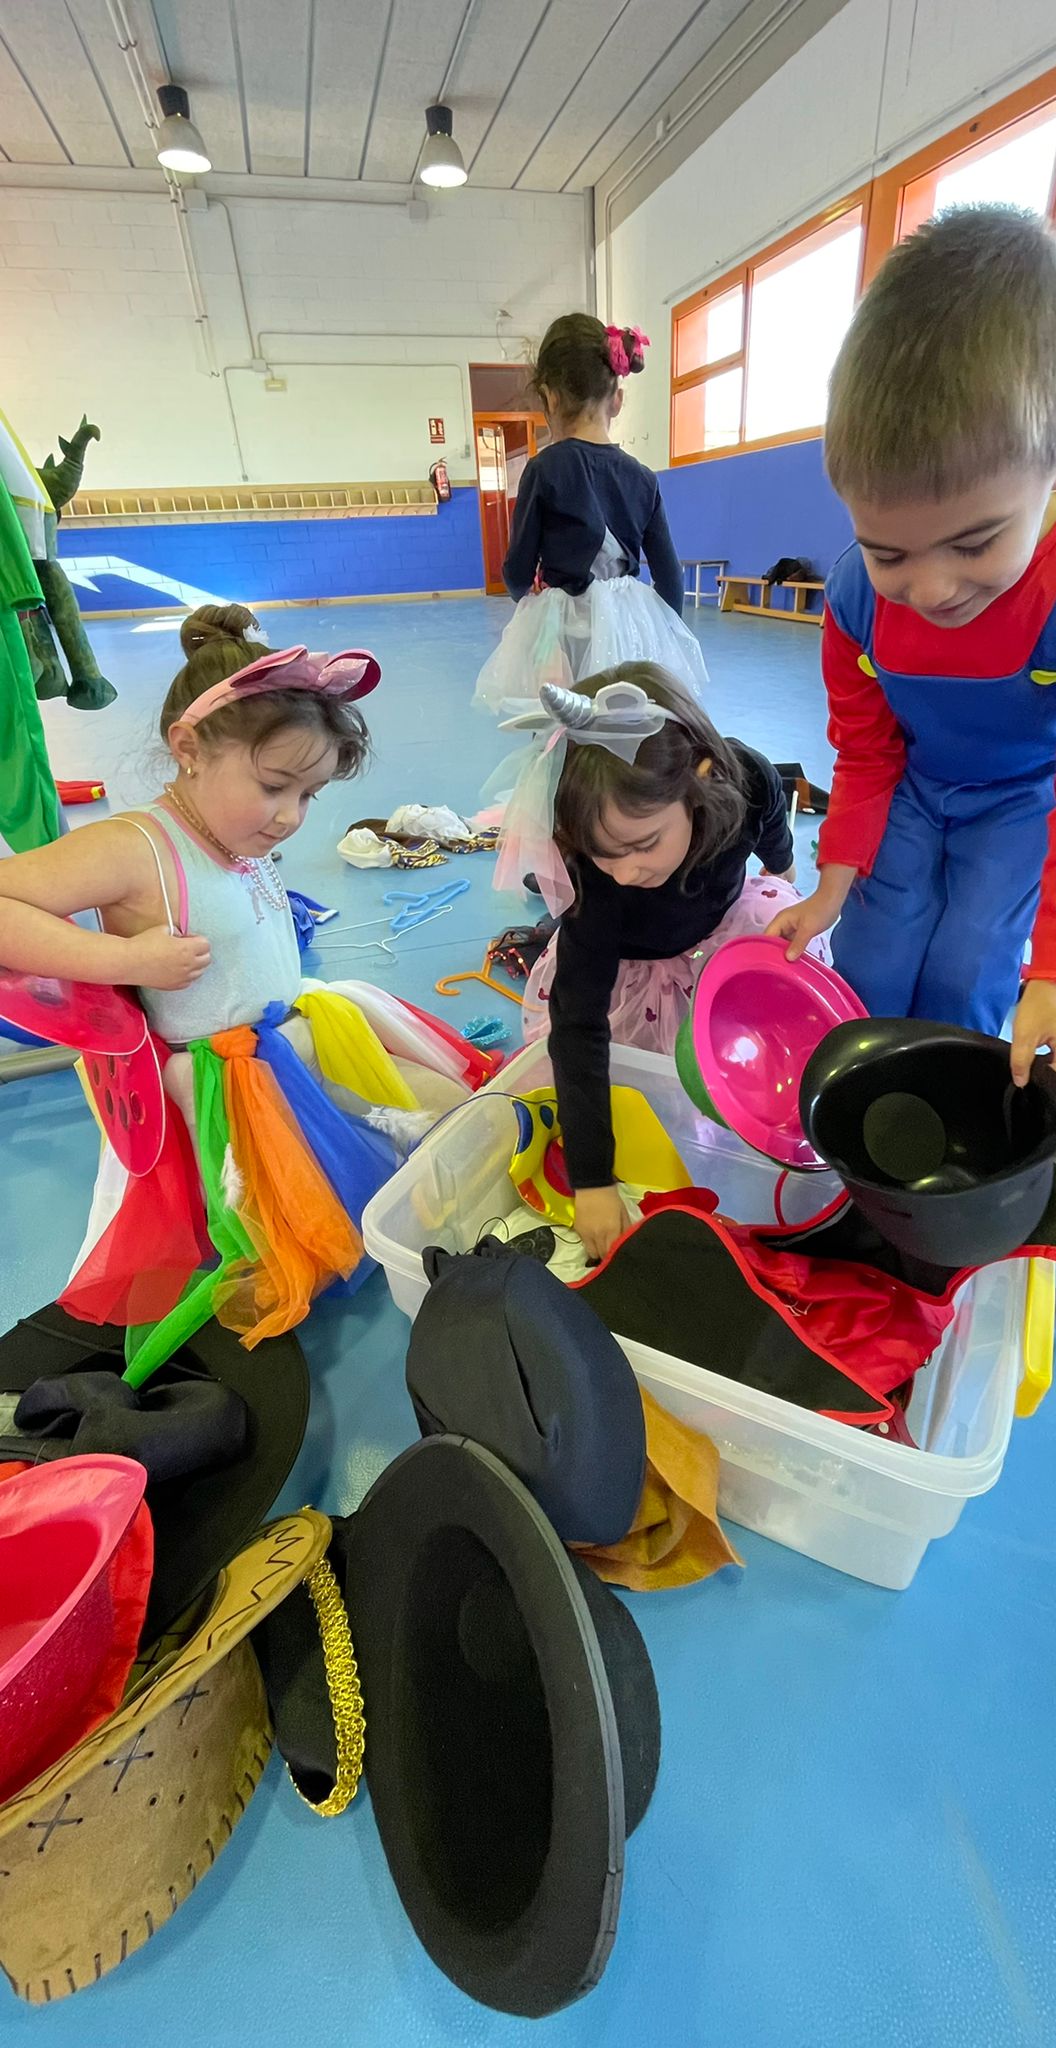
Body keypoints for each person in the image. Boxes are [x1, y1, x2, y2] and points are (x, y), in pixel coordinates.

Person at [0, 604, 487, 1367]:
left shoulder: (234, 825)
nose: (291, 817)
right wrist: (125, 962)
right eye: (274, 786)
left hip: (292, 1039)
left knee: (446, 1113)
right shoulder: (133, 847)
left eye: (309, 795)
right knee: (290, 1247)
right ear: (188, 749)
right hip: (227, 1087)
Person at [767, 206, 1056, 1087]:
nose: (932, 589)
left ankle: (948, 1112)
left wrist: (1055, 977)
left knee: (968, 968)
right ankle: (856, 1109)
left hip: (1022, 798)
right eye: (889, 551)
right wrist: (830, 887)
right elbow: (865, 750)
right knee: (873, 957)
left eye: (975, 543)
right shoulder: (855, 598)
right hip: (911, 785)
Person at [495, 664, 821, 1260]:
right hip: (632, 970)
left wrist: (782, 867)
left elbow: (772, 813)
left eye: (644, 844)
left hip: (722, 938)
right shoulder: (597, 884)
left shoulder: (745, 776)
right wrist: (593, 1180)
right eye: (603, 852)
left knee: (770, 965)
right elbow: (579, 1026)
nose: (625, 872)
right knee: (643, 1093)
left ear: (702, 778)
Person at [473, 314, 706, 716]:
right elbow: (671, 578)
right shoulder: (643, 478)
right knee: (620, 716)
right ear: (617, 399)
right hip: (627, 624)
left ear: (550, 398)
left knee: (561, 715)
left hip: (563, 628)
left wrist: (527, 599)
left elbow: (517, 569)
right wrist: (661, 635)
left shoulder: (543, 470)